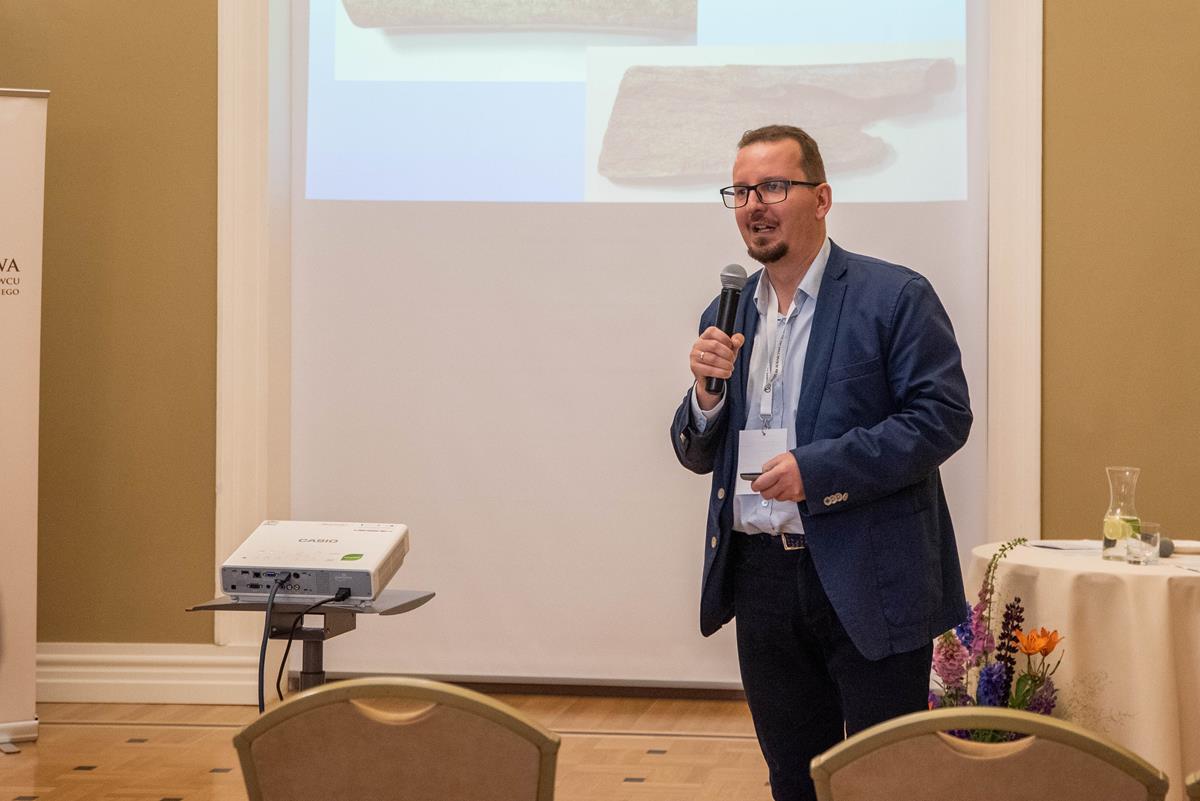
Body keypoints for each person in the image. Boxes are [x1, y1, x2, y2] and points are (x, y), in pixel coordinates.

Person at [669, 124, 972, 801]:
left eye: (774, 186)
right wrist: (705, 397)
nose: (755, 205)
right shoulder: (726, 312)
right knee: (792, 778)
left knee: (882, 782)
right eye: (741, 191)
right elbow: (695, 450)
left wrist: (819, 471)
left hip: (869, 572)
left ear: (823, 198)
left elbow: (942, 418)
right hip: (763, 578)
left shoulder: (892, 296)